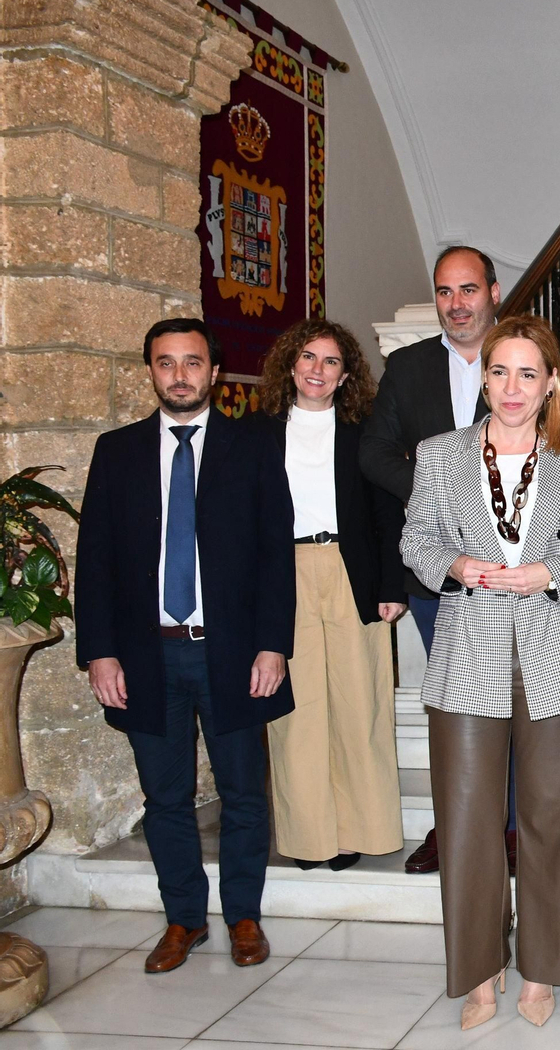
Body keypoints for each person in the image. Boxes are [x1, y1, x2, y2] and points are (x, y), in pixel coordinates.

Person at [400, 315, 560, 1030]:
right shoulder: (438, 454)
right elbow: (416, 538)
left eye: (528, 373)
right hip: (468, 655)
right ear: (482, 377)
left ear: (551, 381)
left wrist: (551, 572)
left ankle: (544, 969)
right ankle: (480, 970)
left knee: (556, 818)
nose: (512, 388)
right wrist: (455, 565)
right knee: (467, 821)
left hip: (558, 653)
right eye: (499, 372)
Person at [75, 318, 294, 972]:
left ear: (214, 372)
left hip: (230, 652)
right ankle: (183, 920)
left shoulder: (254, 447)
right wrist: (100, 652)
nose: (179, 374)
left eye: (192, 362)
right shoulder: (116, 452)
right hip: (146, 656)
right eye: (166, 362)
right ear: (150, 371)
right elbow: (96, 562)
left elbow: (273, 558)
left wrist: (271, 645)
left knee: (244, 794)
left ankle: (244, 916)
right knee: (164, 798)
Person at [360, 244, 509, 875]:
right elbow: (373, 451)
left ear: (493, 292)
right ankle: (452, 827)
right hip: (435, 571)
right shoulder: (407, 367)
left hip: (512, 568)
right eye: (445, 292)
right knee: (452, 706)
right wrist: (434, 490)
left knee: (506, 705)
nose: (456, 305)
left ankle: (507, 830)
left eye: (468, 290)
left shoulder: (525, 358)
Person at [256, 319, 406, 872]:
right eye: (309, 358)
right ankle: (308, 836)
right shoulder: (259, 432)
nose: (318, 370)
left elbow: (388, 512)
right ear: (290, 364)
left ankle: (359, 830)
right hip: (282, 574)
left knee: (359, 702)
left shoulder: (363, 430)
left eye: (331, 362)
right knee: (296, 710)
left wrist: (393, 585)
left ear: (346, 375)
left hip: (351, 572)